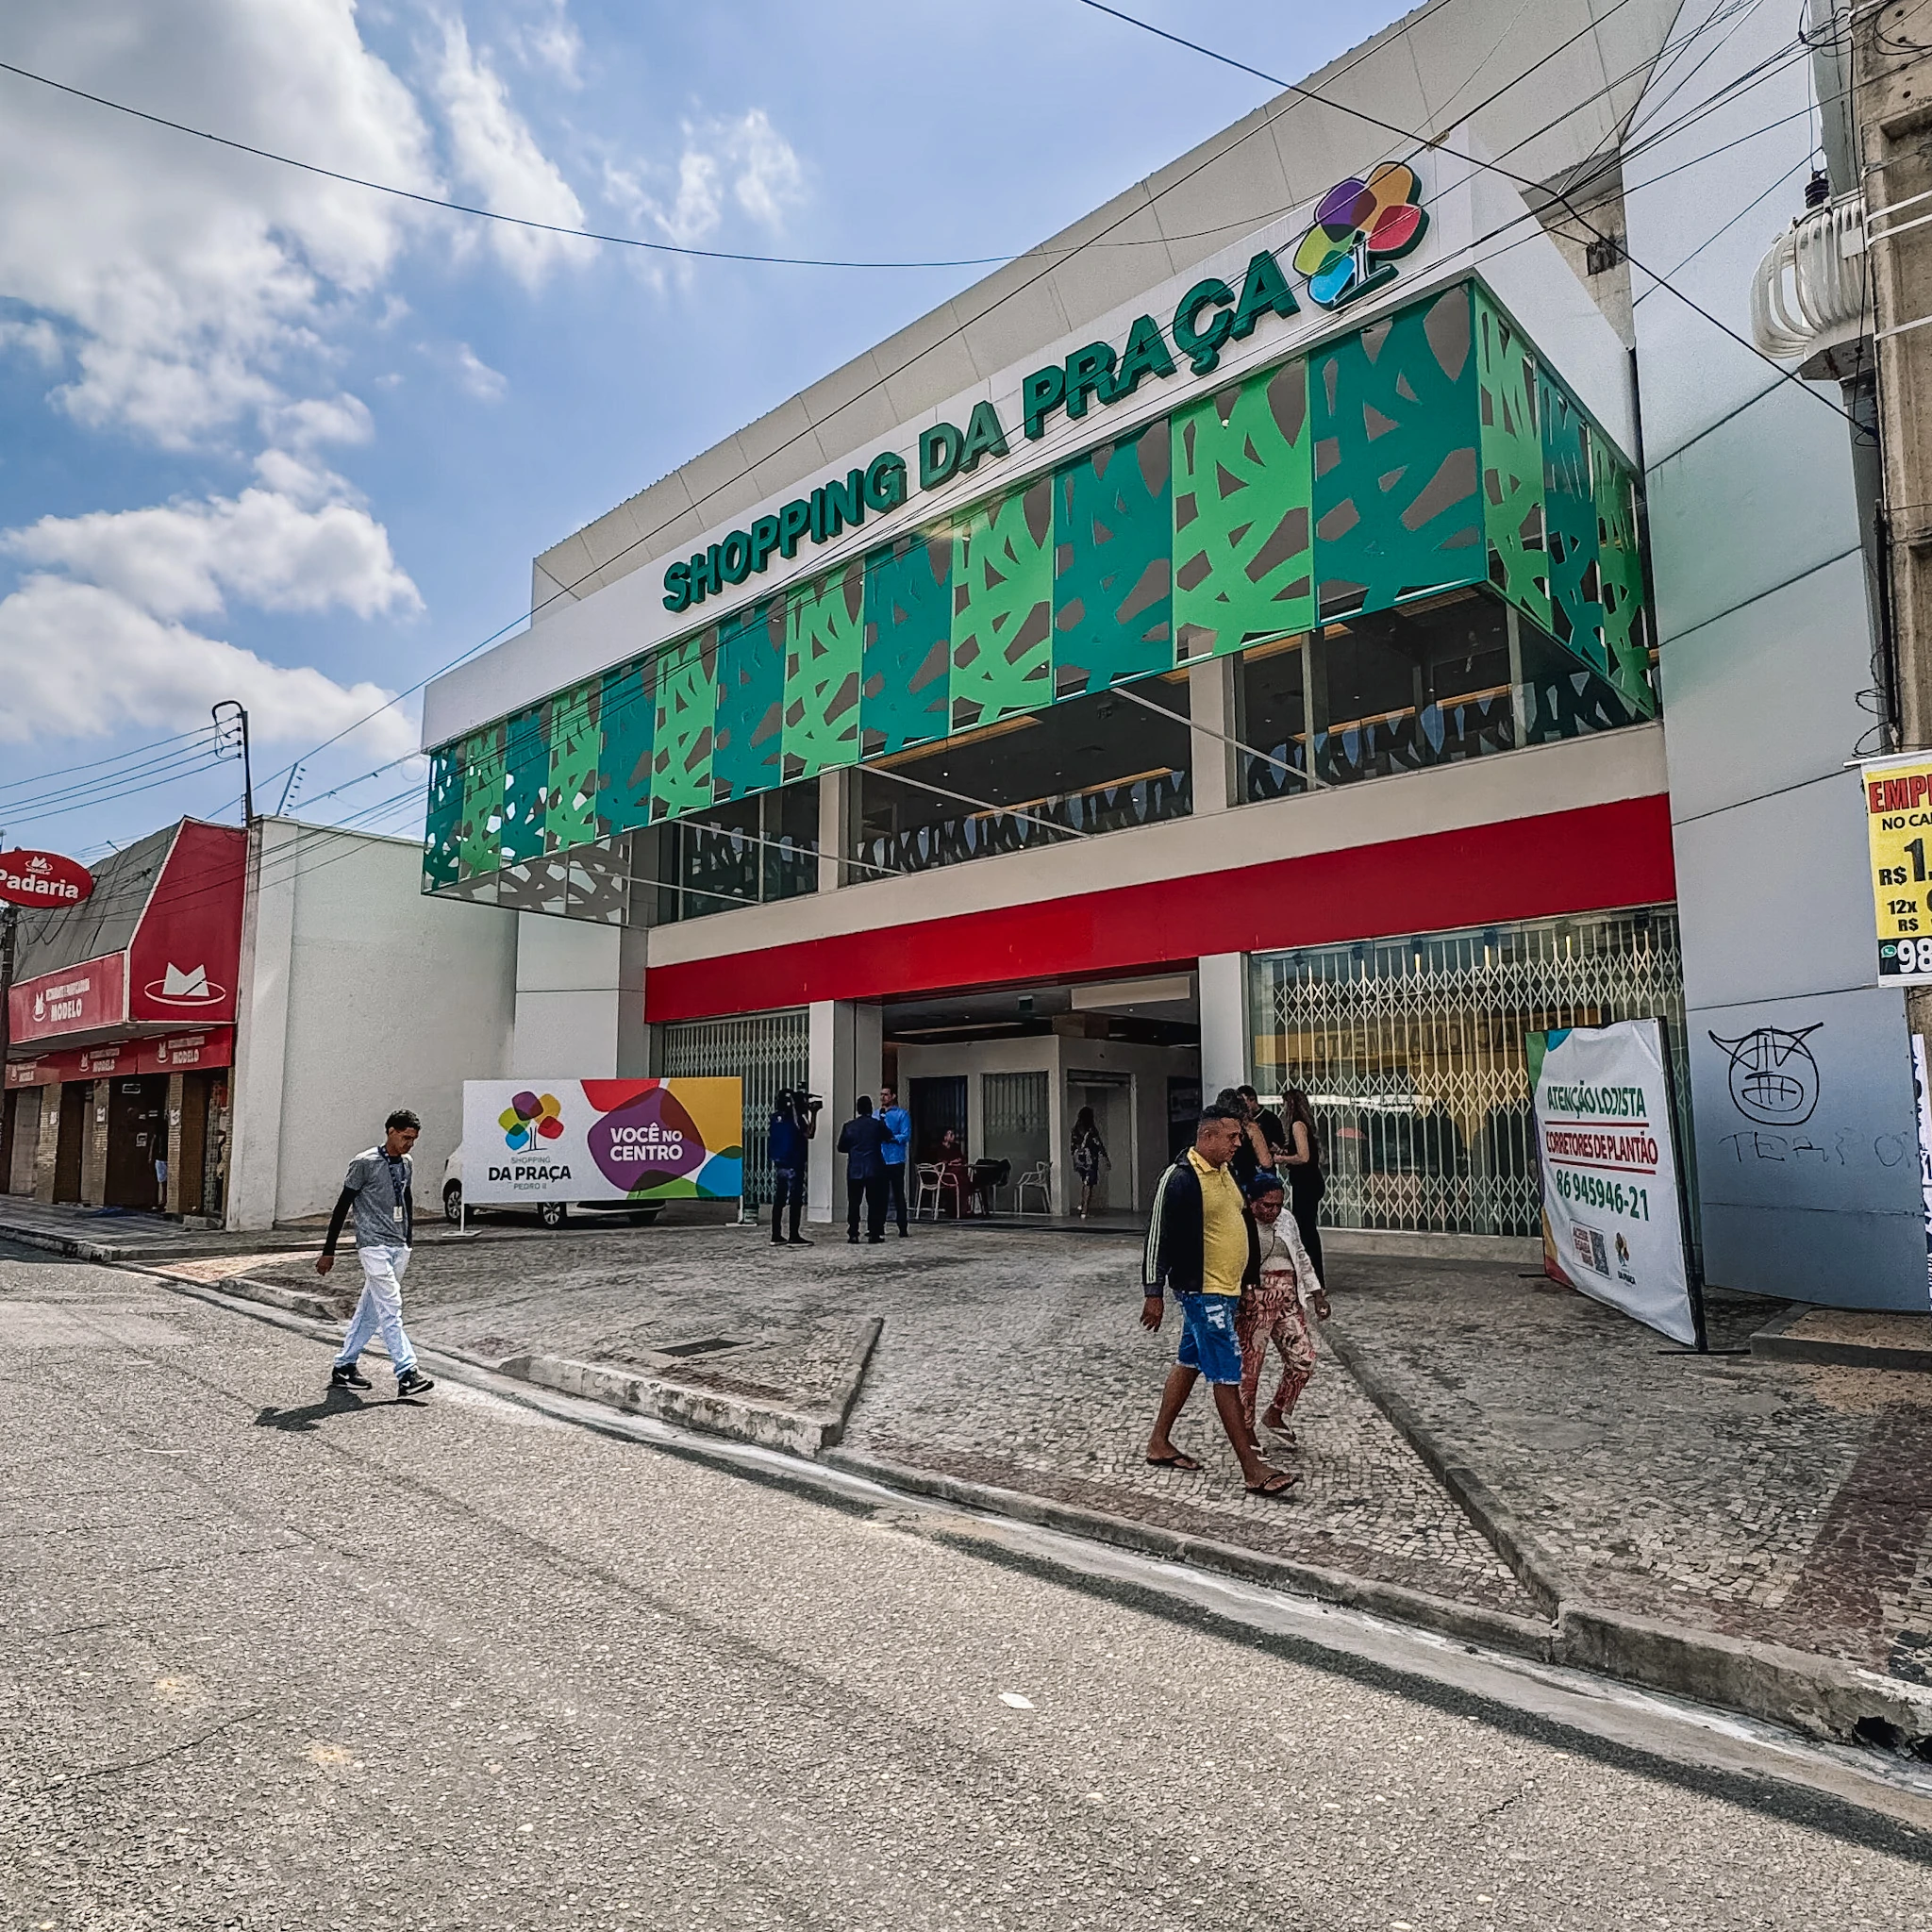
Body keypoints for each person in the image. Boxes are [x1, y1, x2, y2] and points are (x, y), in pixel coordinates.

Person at [1140, 1105, 1296, 1498]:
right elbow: (1157, 1236)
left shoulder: (1227, 1172)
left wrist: (1247, 1281)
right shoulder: (1180, 1178)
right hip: (1202, 1292)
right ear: (1207, 1136)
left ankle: (1159, 1442)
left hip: (1226, 1290)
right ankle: (1252, 1468)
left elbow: (1240, 1223)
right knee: (1227, 1375)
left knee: (1189, 1363)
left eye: (1239, 1136)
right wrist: (1153, 1293)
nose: (1237, 1143)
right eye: (1231, 1137)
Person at [319, 1108, 434, 1398]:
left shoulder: (406, 1163)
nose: (409, 1144)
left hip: (399, 1245)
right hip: (372, 1245)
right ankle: (407, 1372)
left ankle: (344, 1365)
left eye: (414, 1139)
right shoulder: (364, 1163)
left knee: (371, 1310)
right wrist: (329, 1251)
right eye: (406, 1137)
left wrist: (408, 1238)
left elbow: (406, 1198)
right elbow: (342, 1206)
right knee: (391, 1306)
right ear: (391, 1131)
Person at [1237, 1170, 1329, 1449]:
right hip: (1256, 1298)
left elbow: (1300, 1254)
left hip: (1288, 1296)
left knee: (1304, 1359)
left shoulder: (1286, 1219)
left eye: (1278, 1205)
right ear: (1252, 1201)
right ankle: (1245, 1430)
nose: (1274, 1211)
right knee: (1250, 1368)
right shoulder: (1241, 1222)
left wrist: (1317, 1293)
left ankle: (1277, 1411)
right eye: (1267, 1205)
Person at [1278, 1087, 1326, 1287]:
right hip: (1309, 1181)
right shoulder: (1305, 1124)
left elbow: (1303, 1157)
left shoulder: (1297, 1125)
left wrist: (1282, 1159)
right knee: (1306, 1229)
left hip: (1306, 1182)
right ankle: (1312, 1278)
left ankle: (1316, 1280)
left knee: (1306, 1231)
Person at [837, 1095, 891, 1243]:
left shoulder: (849, 1126)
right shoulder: (877, 1125)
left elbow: (841, 1147)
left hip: (855, 1168)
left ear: (857, 1109)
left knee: (854, 1202)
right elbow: (888, 1136)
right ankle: (874, 1233)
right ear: (870, 1108)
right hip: (874, 1167)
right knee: (874, 1202)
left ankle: (853, 1233)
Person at [767, 1090, 819, 1246]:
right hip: (794, 1164)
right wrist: (814, 1113)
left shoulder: (775, 1118)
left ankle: (776, 1235)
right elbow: (809, 1134)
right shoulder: (796, 1119)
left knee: (779, 1200)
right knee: (795, 1200)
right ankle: (794, 1235)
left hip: (780, 1163)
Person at [878, 1085, 912, 1237]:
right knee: (880, 1195)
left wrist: (891, 1138)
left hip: (896, 1159)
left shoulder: (902, 1114)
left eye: (886, 1094)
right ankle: (879, 1226)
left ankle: (902, 1227)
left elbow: (906, 1135)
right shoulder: (876, 1114)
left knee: (898, 1194)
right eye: (881, 1094)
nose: (883, 1097)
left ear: (893, 1096)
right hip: (880, 1159)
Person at [1071, 1106, 1110, 1218]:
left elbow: (1072, 1146)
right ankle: (1085, 1209)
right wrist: (1105, 1157)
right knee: (1089, 1184)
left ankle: (1083, 1205)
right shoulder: (1091, 1129)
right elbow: (1098, 1143)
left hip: (1079, 1160)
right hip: (1090, 1160)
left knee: (1085, 1182)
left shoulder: (1075, 1129)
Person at [933, 1126, 971, 1218]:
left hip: (957, 1171)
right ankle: (958, 1210)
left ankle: (962, 1210)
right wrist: (950, 1162)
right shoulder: (939, 1148)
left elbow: (961, 1158)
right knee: (959, 1180)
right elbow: (940, 1162)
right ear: (945, 1137)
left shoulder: (956, 1147)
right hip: (945, 1173)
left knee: (962, 1181)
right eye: (951, 1135)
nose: (953, 1137)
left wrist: (958, 1161)